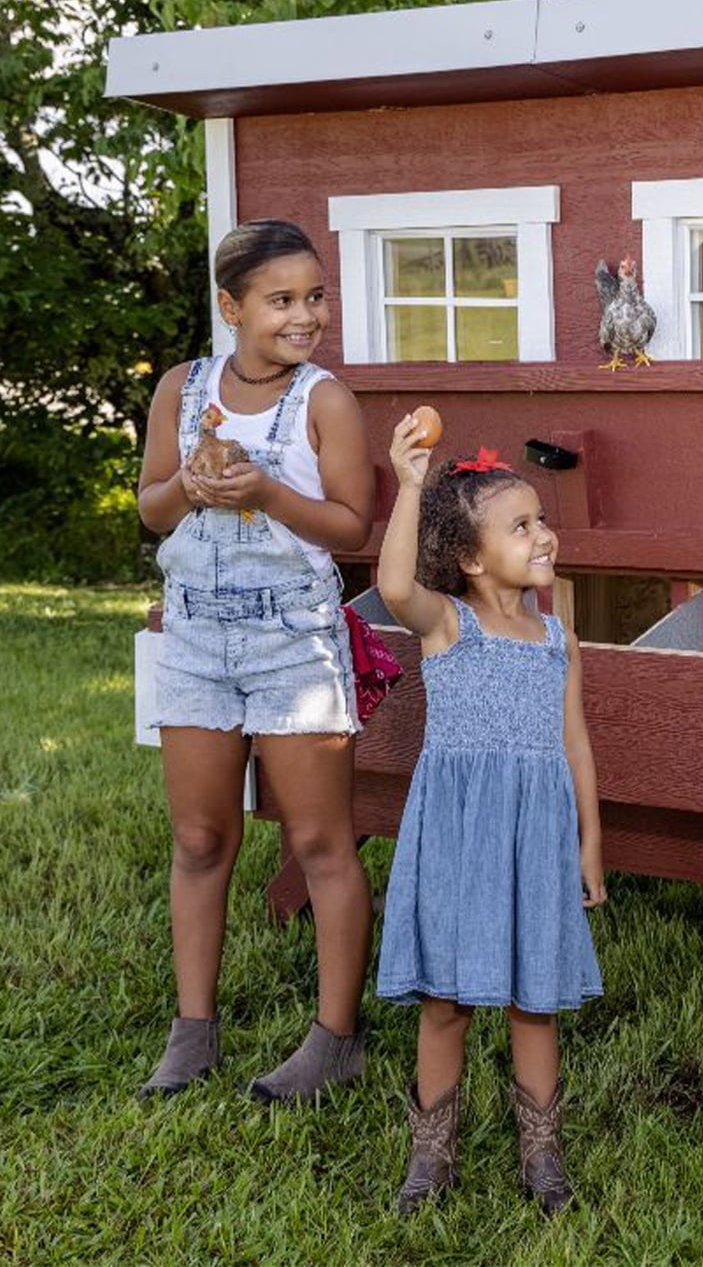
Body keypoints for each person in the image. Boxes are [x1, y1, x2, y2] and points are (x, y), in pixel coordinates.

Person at [136, 219, 375, 1102]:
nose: (305, 315)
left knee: (318, 840)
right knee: (201, 839)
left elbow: (353, 529)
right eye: (282, 300)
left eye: (315, 296)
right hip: (196, 639)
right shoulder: (181, 389)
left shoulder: (325, 401)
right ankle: (192, 1032)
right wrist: (191, 485)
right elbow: (153, 512)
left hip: (292, 642)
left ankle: (335, 1037)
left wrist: (268, 492)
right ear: (231, 306)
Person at [374, 422, 605, 1216]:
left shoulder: (556, 639)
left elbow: (574, 741)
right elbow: (395, 585)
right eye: (522, 526)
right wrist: (408, 485)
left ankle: (541, 1150)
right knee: (446, 998)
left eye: (541, 520)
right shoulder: (448, 625)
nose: (543, 535)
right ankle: (430, 1152)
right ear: (471, 559)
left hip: (537, 835)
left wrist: (590, 841)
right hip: (461, 834)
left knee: (534, 996)